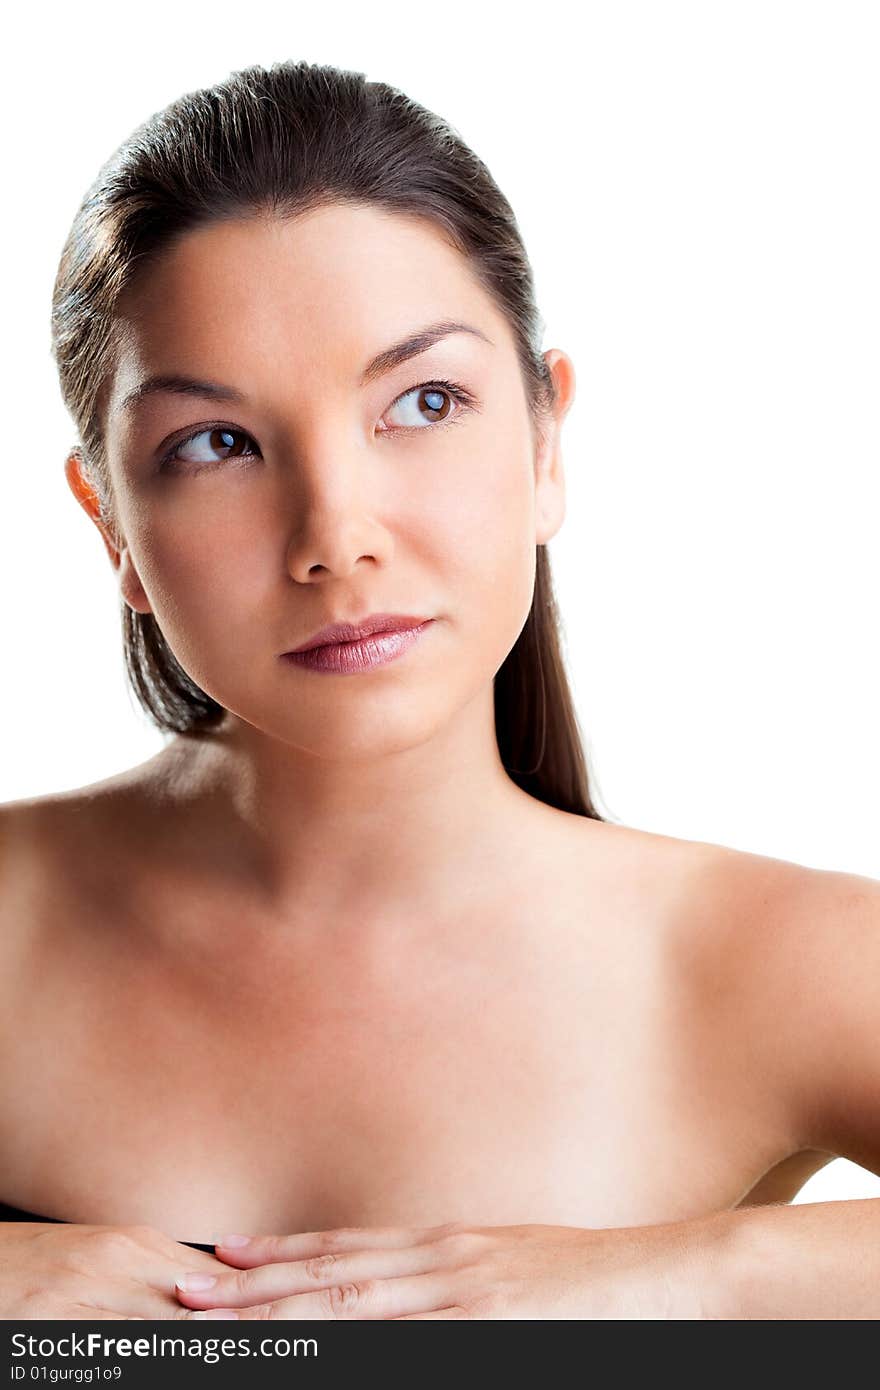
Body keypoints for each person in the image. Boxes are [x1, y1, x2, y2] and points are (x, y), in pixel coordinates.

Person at [1, 57, 878, 1322]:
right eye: (216, 443)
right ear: (111, 526)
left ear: (544, 441)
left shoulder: (762, 960)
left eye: (423, 401)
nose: (336, 535)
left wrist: (700, 1274)